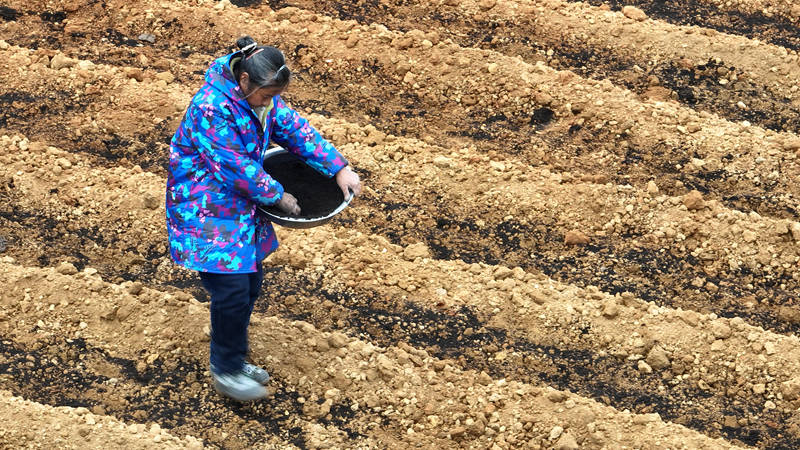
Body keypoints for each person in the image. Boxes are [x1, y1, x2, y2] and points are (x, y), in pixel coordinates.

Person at [165, 36, 362, 401]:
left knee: (250, 282)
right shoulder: (211, 108)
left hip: (240, 206)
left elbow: (294, 129)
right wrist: (278, 196)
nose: (270, 103)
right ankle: (226, 369)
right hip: (205, 206)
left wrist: (339, 167)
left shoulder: (261, 97)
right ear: (244, 81)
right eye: (266, 96)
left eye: (275, 96)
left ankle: (233, 355)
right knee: (232, 289)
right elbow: (235, 167)